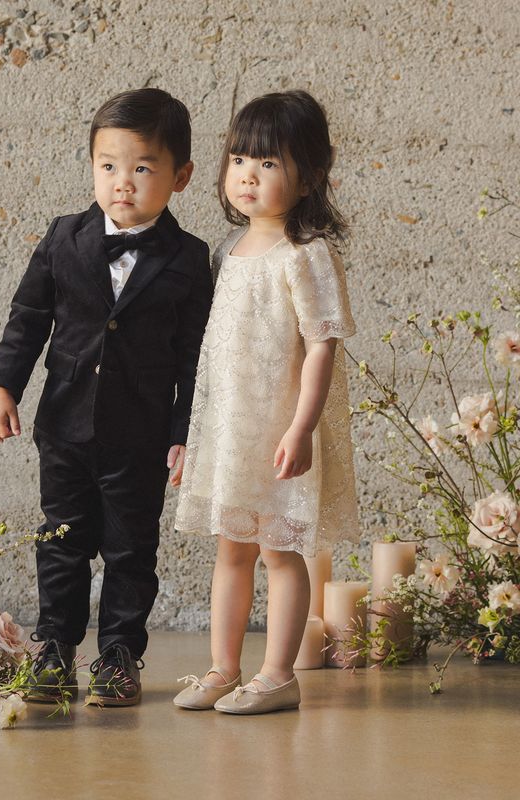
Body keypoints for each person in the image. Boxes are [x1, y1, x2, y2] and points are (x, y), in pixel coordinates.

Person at [0, 88, 213, 706]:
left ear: (181, 176)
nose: (123, 183)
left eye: (142, 167)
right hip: (63, 427)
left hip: (139, 436)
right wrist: (4, 385)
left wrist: (184, 431)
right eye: (108, 166)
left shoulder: (189, 260)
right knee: (61, 541)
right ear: (91, 166)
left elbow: (196, 358)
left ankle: (118, 654)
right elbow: (27, 318)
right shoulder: (65, 238)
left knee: (132, 550)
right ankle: (54, 648)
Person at [173, 90, 360, 715]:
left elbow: (320, 349)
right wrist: (192, 437)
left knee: (280, 550)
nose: (248, 175)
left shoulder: (305, 256)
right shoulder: (228, 252)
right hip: (231, 429)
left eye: (269, 163)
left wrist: (302, 427)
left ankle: (279, 674)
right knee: (232, 548)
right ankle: (224, 667)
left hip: (280, 427)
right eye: (238, 159)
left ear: (309, 177)